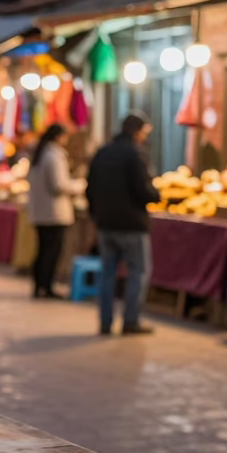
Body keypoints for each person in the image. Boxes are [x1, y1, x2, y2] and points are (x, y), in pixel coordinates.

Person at [86, 113, 160, 335]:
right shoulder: (135, 155)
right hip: (132, 225)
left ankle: (105, 321)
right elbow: (143, 190)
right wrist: (156, 196)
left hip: (106, 224)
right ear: (137, 132)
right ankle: (130, 320)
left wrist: (96, 216)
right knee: (137, 272)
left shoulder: (102, 153)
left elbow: (90, 189)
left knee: (107, 274)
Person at [26, 125, 85, 300]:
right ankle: (46, 286)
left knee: (43, 249)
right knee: (52, 251)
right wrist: (79, 185)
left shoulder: (40, 154)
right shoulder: (53, 156)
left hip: (40, 212)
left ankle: (40, 285)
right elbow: (59, 184)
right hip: (54, 212)